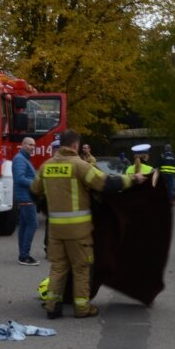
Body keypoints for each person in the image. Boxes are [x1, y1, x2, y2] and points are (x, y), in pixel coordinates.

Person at [31, 129, 146, 319]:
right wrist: (133, 179)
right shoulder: (80, 166)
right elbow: (106, 184)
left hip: (55, 229)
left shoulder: (46, 166)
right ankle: (82, 308)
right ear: (75, 145)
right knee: (82, 268)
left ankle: (52, 306)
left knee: (58, 267)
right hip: (78, 230)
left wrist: (48, 210)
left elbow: (34, 192)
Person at [12, 137, 40, 266]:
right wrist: (37, 183)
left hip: (26, 197)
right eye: (29, 145)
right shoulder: (20, 159)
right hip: (26, 197)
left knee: (24, 226)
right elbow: (19, 178)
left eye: (34, 145)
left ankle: (23, 255)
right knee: (32, 225)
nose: (32, 147)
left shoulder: (23, 159)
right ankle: (24, 256)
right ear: (22, 145)